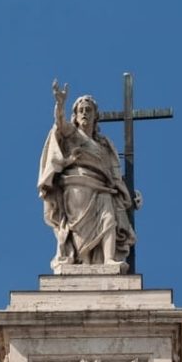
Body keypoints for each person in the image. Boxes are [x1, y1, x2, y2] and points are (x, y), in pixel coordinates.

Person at [38, 79, 140, 271]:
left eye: (88, 110)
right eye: (81, 110)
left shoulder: (104, 144)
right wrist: (60, 104)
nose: (84, 113)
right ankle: (82, 260)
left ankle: (109, 259)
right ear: (75, 116)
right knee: (80, 227)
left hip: (103, 186)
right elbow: (59, 124)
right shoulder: (72, 135)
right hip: (77, 183)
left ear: (95, 116)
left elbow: (115, 174)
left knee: (109, 218)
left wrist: (128, 193)